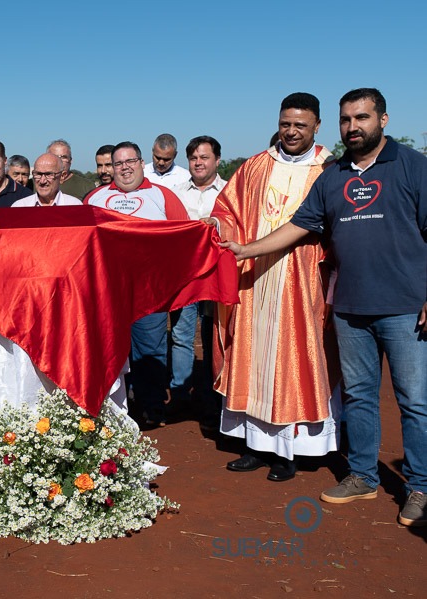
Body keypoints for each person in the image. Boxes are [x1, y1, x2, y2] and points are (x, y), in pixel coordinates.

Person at [221, 88, 426, 526]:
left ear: (383, 120)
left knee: (415, 401)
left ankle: (421, 487)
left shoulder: (412, 167)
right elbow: (298, 225)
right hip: (350, 304)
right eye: (347, 120)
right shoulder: (333, 176)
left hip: (403, 305)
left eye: (363, 118)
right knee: (360, 397)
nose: (354, 127)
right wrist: (245, 249)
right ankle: (363, 476)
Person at [208, 92, 339, 482]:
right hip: (254, 279)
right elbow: (226, 209)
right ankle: (253, 445)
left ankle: (287, 451)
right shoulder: (255, 166)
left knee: (291, 361)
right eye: (286, 124)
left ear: (317, 126)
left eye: (300, 125)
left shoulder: (328, 169)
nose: (291, 131)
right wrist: (217, 227)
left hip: (301, 282)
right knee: (251, 357)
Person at [86, 141, 189, 427]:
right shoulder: (95, 198)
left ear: (140, 163)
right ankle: (114, 409)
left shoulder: (163, 196)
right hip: (107, 292)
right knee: (109, 349)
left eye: (130, 161)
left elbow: (183, 238)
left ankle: (151, 408)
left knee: (150, 350)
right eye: (118, 163)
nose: (124, 168)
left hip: (149, 292)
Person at [169, 136, 228, 429]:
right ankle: (181, 394)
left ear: (217, 160)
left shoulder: (231, 192)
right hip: (186, 275)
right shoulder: (176, 193)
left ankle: (213, 397)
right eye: (194, 158)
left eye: (204, 158)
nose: (199, 163)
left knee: (213, 335)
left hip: (217, 275)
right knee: (181, 334)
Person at [11, 153, 82, 207]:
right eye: (38, 174)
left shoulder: (75, 206)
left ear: (62, 177)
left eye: (49, 174)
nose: (42, 181)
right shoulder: (20, 207)